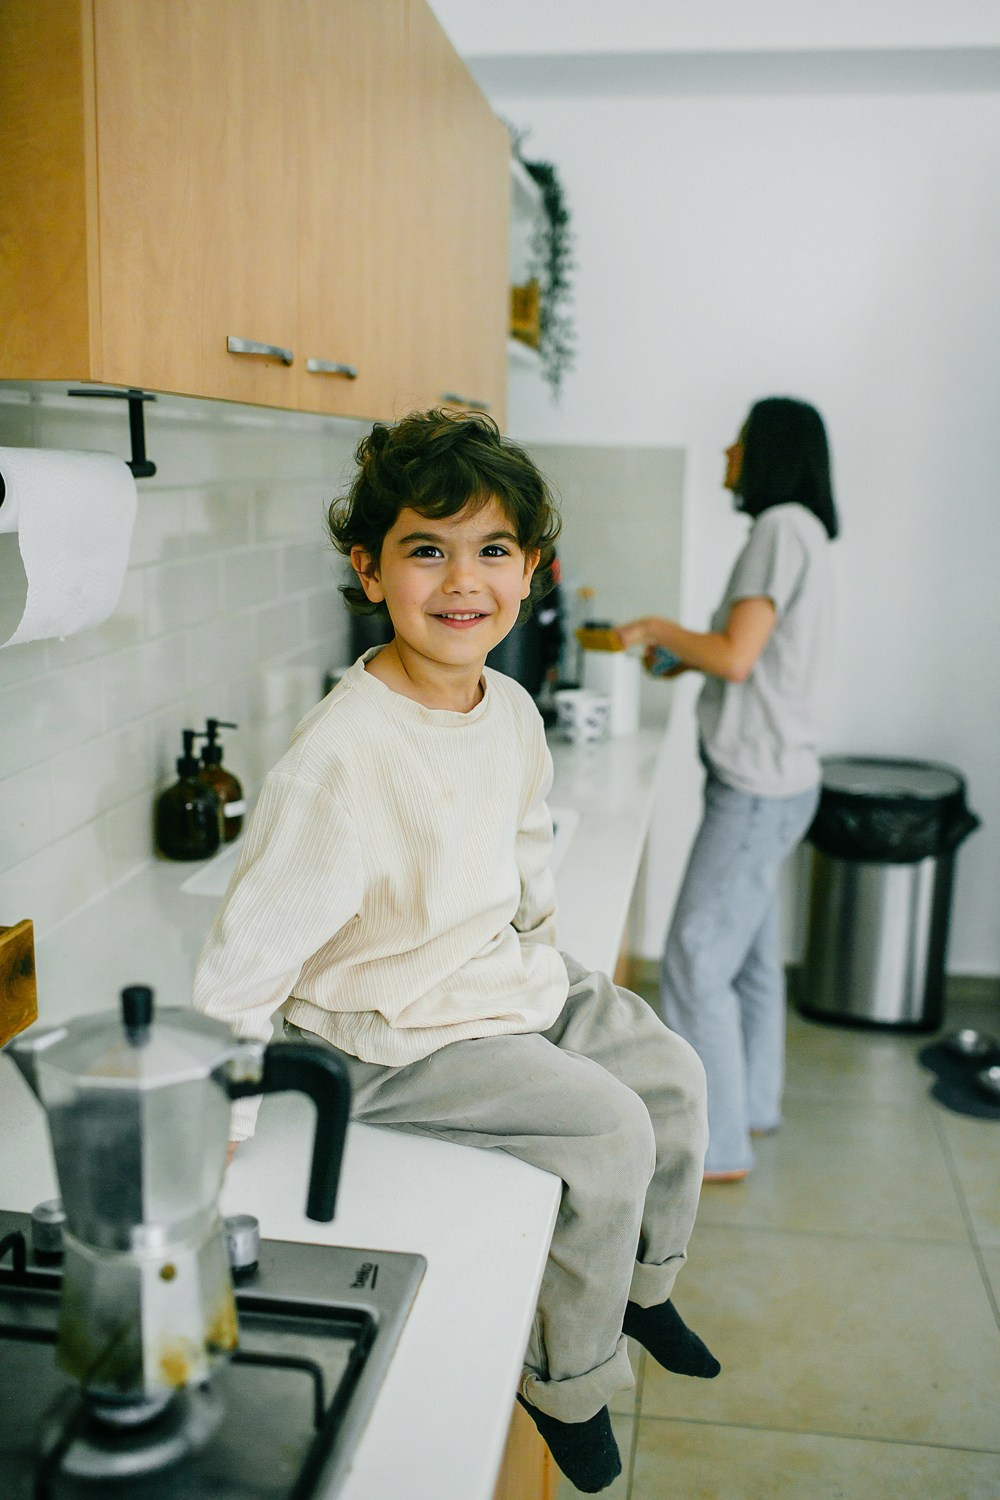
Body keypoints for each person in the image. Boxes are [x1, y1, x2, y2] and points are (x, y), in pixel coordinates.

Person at [193, 409, 717, 1494]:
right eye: (426, 549)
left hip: (488, 975)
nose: (462, 580)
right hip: (385, 1033)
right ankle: (568, 1382)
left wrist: (545, 968)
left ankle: (644, 1289)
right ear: (369, 569)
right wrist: (223, 1126)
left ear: (530, 570)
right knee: (610, 1129)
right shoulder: (341, 755)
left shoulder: (508, 706)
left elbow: (524, 847)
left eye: (492, 550)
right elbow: (247, 956)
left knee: (671, 1073)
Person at [617, 396, 838, 1183]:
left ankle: (715, 1148)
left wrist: (655, 629)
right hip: (783, 782)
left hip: (755, 790)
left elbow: (737, 658)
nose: (727, 454)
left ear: (769, 452)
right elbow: (751, 656)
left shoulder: (779, 528)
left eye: (739, 442)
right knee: (745, 959)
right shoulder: (801, 532)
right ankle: (754, 1109)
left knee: (694, 955)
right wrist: (685, 656)